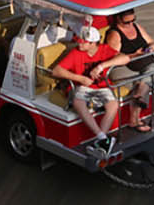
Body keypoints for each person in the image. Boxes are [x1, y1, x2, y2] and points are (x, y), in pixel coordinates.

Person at [50, 25, 127, 155]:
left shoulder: (105, 50)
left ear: (92, 43)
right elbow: (56, 71)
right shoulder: (75, 53)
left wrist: (101, 66)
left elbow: (125, 58)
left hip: (101, 87)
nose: (79, 43)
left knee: (113, 105)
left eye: (82, 41)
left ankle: (101, 141)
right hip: (82, 87)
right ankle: (102, 138)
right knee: (78, 102)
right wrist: (80, 78)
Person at [104, 7, 154, 131]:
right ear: (118, 19)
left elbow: (152, 42)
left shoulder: (137, 27)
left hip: (141, 66)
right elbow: (112, 57)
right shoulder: (114, 34)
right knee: (143, 81)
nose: (130, 24)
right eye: (126, 22)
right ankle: (134, 119)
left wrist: (151, 48)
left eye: (132, 20)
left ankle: (139, 94)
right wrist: (134, 55)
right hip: (122, 68)